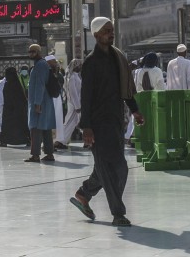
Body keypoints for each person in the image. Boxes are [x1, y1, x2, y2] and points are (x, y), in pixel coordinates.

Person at [69, 17, 145, 226]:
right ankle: (118, 213)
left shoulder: (117, 58)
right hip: (97, 123)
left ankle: (84, 194)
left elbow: (124, 89)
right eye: (106, 31)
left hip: (114, 121)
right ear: (96, 35)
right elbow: (85, 97)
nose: (111, 34)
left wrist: (135, 110)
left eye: (111, 30)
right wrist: (86, 127)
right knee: (109, 168)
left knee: (117, 167)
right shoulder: (91, 63)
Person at [25, 44, 56, 162]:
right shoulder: (40, 65)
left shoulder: (40, 65)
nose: (31, 54)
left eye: (33, 52)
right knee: (45, 128)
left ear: (38, 52)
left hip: (40, 102)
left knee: (35, 128)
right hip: (42, 101)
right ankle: (49, 154)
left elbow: (40, 85)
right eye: (29, 52)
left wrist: (37, 103)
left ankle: (35, 155)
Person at [0, 66, 30, 146]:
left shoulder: (11, 84)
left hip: (13, 109)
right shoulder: (14, 83)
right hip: (14, 109)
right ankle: (5, 141)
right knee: (13, 125)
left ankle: (25, 140)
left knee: (14, 125)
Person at [55, 59, 83, 149]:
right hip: (74, 104)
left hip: (76, 104)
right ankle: (60, 141)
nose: (80, 67)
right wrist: (77, 106)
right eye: (79, 65)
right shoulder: (72, 77)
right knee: (69, 123)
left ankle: (63, 140)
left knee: (73, 123)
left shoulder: (75, 76)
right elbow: (73, 93)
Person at [47, 55, 66, 144]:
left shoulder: (58, 74)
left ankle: (57, 141)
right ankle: (50, 141)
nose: (56, 63)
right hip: (49, 98)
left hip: (57, 98)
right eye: (54, 62)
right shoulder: (46, 72)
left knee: (58, 119)